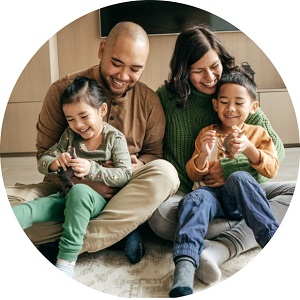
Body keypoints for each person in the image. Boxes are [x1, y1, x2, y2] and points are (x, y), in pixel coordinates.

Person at [8, 22, 179, 265]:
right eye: (117, 63)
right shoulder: (62, 92)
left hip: (122, 193)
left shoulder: (149, 101)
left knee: (166, 174)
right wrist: (82, 182)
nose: (123, 75)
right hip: (65, 190)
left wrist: (134, 165)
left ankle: (66, 245)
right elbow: (43, 155)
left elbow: (154, 154)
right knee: (14, 213)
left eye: (135, 69)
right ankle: (118, 234)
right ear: (101, 50)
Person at [148, 24, 295, 286]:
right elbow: (158, 148)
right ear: (184, 70)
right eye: (198, 70)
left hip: (241, 189)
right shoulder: (167, 99)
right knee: (161, 219)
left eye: (214, 66)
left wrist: (228, 169)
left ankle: (219, 247)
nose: (210, 77)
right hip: (191, 192)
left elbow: (277, 151)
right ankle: (236, 228)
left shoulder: (236, 91)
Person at [169, 70, 280, 297]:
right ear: (215, 105)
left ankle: (270, 241)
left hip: (240, 198)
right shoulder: (207, 133)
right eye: (224, 102)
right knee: (195, 197)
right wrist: (203, 154)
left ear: (253, 107)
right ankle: (185, 267)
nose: (230, 108)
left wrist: (249, 149)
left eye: (239, 102)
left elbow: (271, 169)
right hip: (211, 198)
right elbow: (192, 173)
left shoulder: (257, 133)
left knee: (239, 177)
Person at [13, 76, 133, 277]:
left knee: (79, 192)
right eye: (70, 119)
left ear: (102, 110)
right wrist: (54, 162)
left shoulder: (114, 138)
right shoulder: (69, 136)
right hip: (66, 197)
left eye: (84, 116)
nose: (78, 124)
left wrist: (93, 169)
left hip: (97, 202)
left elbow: (125, 174)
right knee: (27, 210)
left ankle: (66, 260)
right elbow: (45, 159)